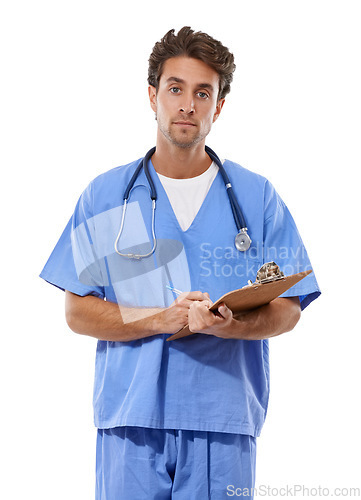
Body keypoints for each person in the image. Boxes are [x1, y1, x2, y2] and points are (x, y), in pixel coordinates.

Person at [40, 27, 320, 500]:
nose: (187, 104)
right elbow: (77, 311)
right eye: (175, 89)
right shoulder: (108, 196)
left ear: (219, 105)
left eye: (202, 92)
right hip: (131, 425)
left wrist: (230, 328)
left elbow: (289, 308)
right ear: (153, 96)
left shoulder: (257, 197)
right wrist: (162, 318)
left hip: (223, 422)